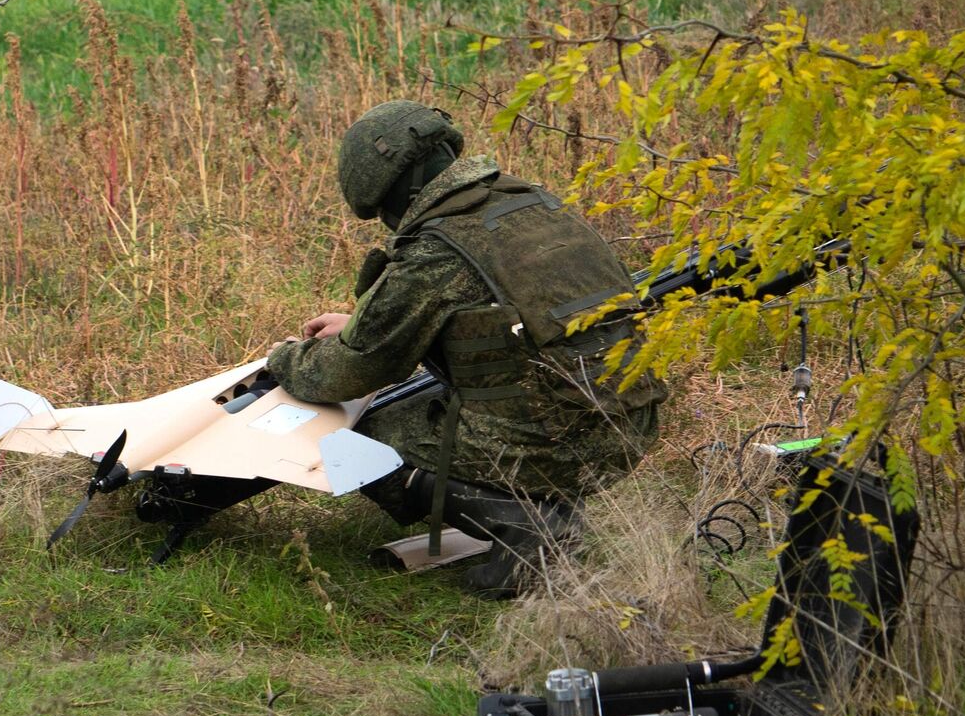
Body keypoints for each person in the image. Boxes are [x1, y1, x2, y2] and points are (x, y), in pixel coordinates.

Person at [266, 101, 667, 598]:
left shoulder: (438, 247)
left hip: (564, 442)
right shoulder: (531, 203)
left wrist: (283, 358)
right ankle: (549, 507)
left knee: (351, 438)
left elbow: (347, 374)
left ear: (386, 192)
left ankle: (529, 530)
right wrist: (359, 324)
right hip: (629, 423)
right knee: (442, 404)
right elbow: (498, 311)